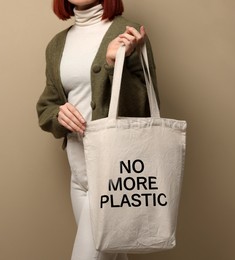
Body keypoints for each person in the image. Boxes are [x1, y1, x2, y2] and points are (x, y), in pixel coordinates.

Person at [36, 1, 159, 259]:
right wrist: (58, 114)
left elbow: (143, 108)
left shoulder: (129, 32)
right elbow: (47, 106)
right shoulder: (57, 44)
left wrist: (112, 64)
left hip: (113, 173)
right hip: (78, 173)